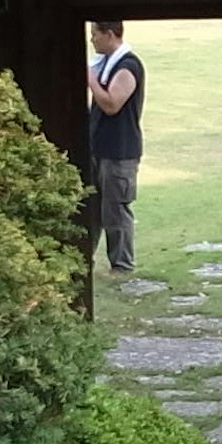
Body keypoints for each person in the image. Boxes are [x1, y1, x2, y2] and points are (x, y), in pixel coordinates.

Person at [86, 17, 146, 274]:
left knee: (115, 209)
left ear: (109, 34)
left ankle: (122, 265)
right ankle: (83, 258)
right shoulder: (106, 64)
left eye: (95, 34)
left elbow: (112, 104)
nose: (92, 39)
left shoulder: (128, 66)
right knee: (92, 208)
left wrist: (90, 79)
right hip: (99, 149)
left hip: (119, 153)